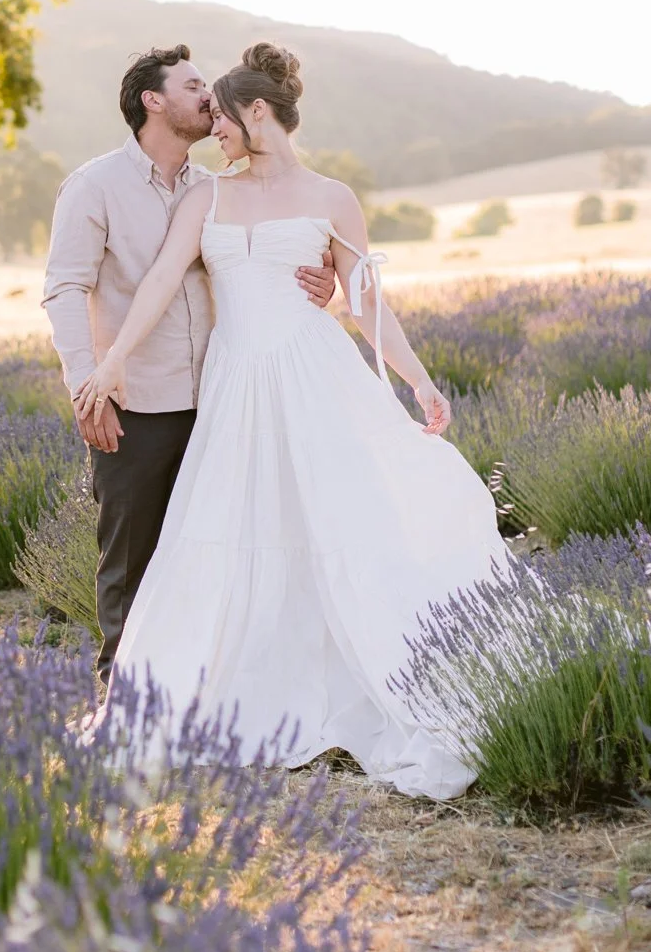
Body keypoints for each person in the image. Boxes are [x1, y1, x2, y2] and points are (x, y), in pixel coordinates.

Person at [75, 42, 508, 800]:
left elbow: (366, 298)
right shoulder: (206, 197)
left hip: (313, 374)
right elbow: (158, 284)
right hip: (236, 382)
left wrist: (419, 381)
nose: (214, 129)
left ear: (258, 114)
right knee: (233, 529)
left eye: (225, 119)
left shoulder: (333, 197)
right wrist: (109, 363)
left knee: (335, 521)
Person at [42, 44, 337, 689]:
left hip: (221, 397)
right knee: (130, 554)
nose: (210, 98)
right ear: (154, 100)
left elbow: (268, 255)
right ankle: (123, 694)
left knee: (215, 551)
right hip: (136, 399)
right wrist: (87, 384)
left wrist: (322, 279)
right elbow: (64, 288)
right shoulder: (94, 186)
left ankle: (210, 685)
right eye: (195, 85)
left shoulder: (213, 188)